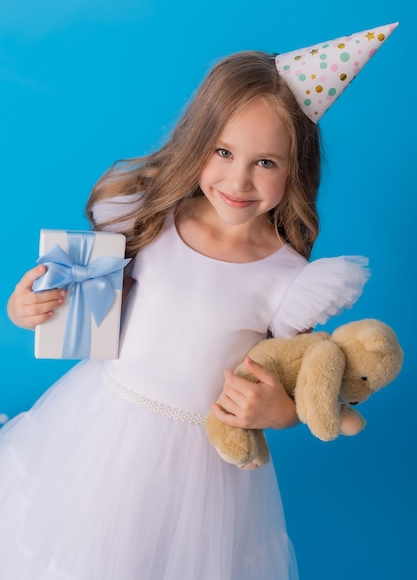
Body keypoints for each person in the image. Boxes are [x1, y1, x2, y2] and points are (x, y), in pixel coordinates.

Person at [1, 49, 371, 580]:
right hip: (104, 428)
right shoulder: (151, 218)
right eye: (222, 151)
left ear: (296, 168)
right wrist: (28, 309)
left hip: (203, 469)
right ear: (198, 142)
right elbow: (79, 314)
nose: (238, 181)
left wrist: (279, 412)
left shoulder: (291, 281)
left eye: (265, 162)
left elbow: (299, 379)